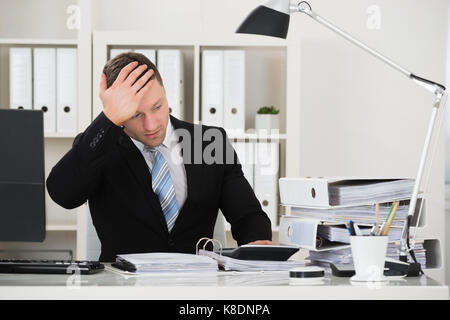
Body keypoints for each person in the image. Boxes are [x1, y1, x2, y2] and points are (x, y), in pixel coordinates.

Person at [46, 52, 272, 262]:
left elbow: (248, 216)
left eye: (157, 106)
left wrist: (257, 245)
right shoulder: (101, 147)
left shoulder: (207, 142)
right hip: (125, 288)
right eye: (135, 115)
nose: (151, 125)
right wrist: (107, 120)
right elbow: (62, 193)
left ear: (165, 94)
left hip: (196, 286)